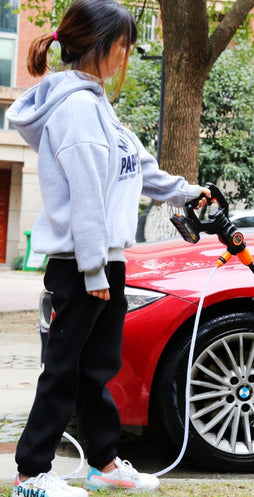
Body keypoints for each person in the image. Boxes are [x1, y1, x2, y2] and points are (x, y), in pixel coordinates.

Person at [7, 1, 210, 496]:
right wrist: (95, 270)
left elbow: (137, 169)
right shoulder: (75, 109)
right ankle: (32, 472)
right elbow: (87, 198)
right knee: (64, 371)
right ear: (100, 45)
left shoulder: (98, 104)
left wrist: (185, 191)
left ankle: (103, 462)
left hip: (104, 262)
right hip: (81, 264)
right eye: (123, 44)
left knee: (96, 369)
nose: (126, 53)